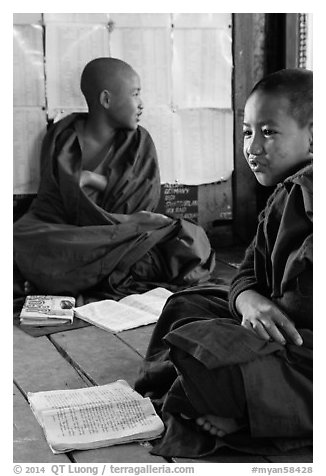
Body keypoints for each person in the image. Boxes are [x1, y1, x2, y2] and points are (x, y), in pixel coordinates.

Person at [135, 68, 313, 458]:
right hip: (274, 323)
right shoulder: (285, 194)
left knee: (212, 355)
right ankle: (240, 400)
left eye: (269, 132)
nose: (252, 147)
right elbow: (248, 270)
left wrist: (263, 317)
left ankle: (252, 411)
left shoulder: (312, 195)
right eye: (248, 131)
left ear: (314, 134)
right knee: (186, 303)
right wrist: (249, 301)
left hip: (306, 344)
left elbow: (302, 312)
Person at [13, 57, 215, 302]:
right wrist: (131, 220)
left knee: (191, 242)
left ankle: (64, 275)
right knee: (20, 235)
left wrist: (93, 180)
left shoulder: (139, 142)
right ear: (106, 100)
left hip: (125, 237)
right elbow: (49, 204)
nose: (141, 104)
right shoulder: (62, 137)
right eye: (135, 94)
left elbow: (144, 200)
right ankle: (89, 270)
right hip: (77, 233)